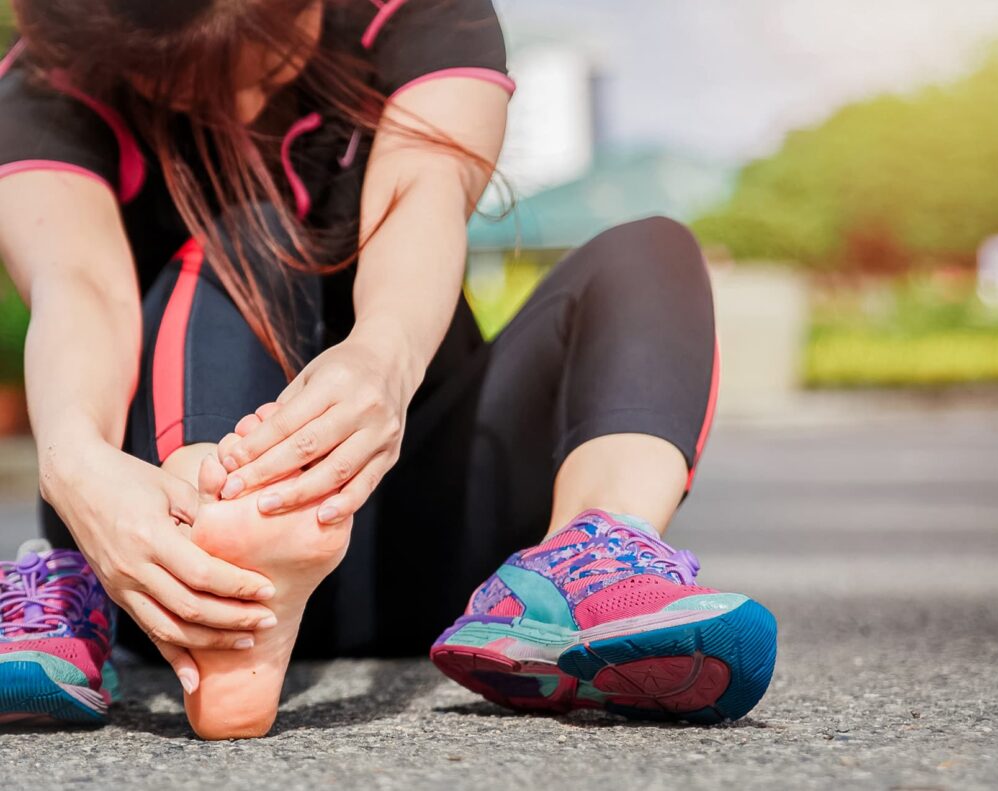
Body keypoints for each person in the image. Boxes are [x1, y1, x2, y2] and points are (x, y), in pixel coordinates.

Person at [0, 0, 776, 739]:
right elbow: (82, 287)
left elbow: (420, 194)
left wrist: (381, 358)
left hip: (437, 546)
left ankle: (582, 566)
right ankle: (215, 546)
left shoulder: (417, 14)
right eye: (179, 80)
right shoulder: (47, 79)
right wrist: (76, 468)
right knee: (247, 227)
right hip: (157, 566)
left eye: (265, 60)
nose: (237, 106)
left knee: (652, 253)